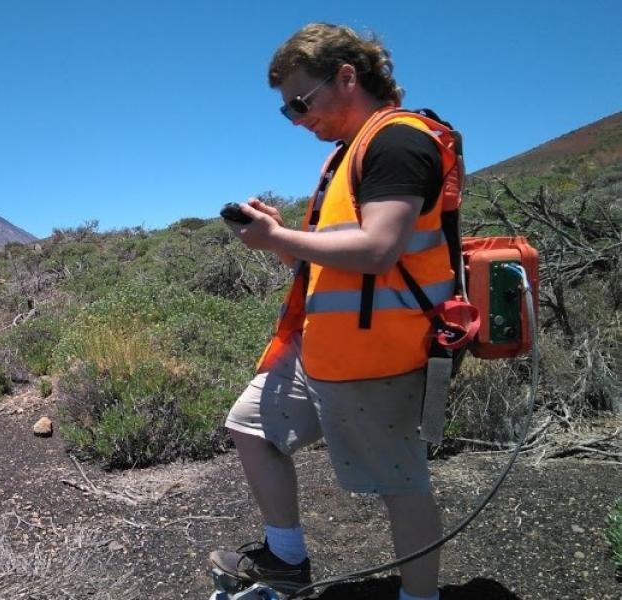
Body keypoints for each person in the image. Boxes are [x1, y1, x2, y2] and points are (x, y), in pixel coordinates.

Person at [212, 23, 452, 600]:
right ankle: (286, 559)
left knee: (401, 485)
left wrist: (280, 238)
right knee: (249, 425)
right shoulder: (350, 154)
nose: (297, 119)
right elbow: (333, 263)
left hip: (382, 355)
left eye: (301, 101)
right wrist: (281, 240)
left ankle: (421, 597)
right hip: (324, 348)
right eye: (286, 111)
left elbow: (378, 248)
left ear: (347, 77)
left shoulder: (397, 142)